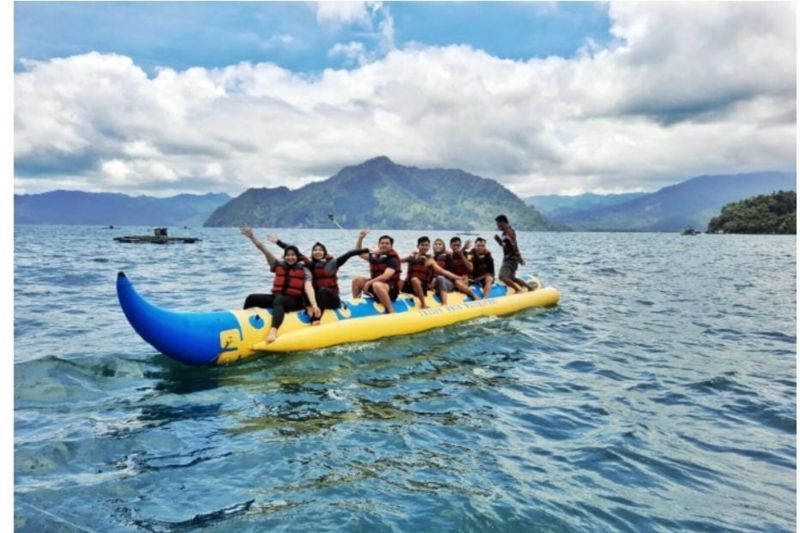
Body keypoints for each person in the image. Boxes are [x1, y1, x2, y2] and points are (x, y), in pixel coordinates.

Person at [240, 227, 319, 343]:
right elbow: (265, 250)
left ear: (297, 257)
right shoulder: (278, 265)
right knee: (252, 298)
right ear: (284, 256)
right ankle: (244, 324)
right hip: (278, 298)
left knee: (279, 300)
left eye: (293, 255)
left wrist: (314, 304)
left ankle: (273, 332)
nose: (290, 257)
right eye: (288, 255)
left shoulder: (304, 270)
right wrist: (252, 237)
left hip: (295, 301)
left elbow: (308, 287)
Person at [268, 235, 368, 325]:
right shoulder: (309, 264)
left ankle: (316, 319)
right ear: (312, 252)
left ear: (324, 252)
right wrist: (278, 242)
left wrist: (366, 250)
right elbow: (294, 252)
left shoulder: (333, 263)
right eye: (315, 250)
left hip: (332, 300)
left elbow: (349, 254)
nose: (317, 252)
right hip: (316, 299)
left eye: (320, 250)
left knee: (322, 290)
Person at [401, 236, 463, 309]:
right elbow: (399, 260)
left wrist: (459, 277)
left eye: (426, 245)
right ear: (418, 246)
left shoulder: (430, 260)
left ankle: (423, 304)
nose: (424, 247)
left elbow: (443, 271)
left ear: (429, 247)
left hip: (421, 286)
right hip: (409, 285)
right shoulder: (411, 257)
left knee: (414, 279)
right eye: (422, 245)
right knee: (398, 281)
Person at [352, 230, 402, 313]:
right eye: (382, 243)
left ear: (391, 246)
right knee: (356, 281)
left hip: (390, 290)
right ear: (379, 245)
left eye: (387, 243)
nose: (384, 245)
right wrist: (360, 238)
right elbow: (359, 253)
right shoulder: (375, 256)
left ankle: (391, 310)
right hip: (375, 286)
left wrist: (369, 283)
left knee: (377, 284)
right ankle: (357, 305)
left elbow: (385, 276)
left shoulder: (393, 259)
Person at [494, 214, 536, 292]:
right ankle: (530, 288)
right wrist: (499, 241)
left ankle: (517, 290)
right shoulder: (505, 233)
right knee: (511, 278)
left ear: (502, 222)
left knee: (502, 276)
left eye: (498, 224)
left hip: (511, 259)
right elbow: (505, 246)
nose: (497, 226)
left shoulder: (508, 232)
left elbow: (514, 245)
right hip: (510, 259)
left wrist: (519, 258)